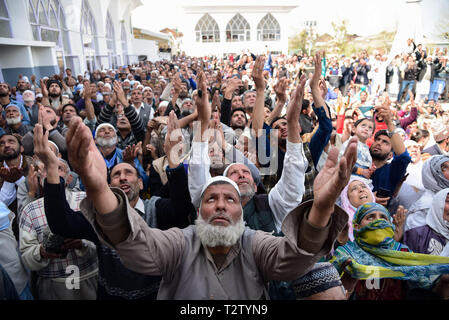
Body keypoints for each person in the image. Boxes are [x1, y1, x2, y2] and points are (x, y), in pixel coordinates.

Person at [64, 109, 357, 299]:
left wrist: (322, 207)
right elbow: (138, 246)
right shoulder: (180, 243)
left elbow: (295, 258)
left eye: (230, 199)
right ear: (198, 210)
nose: (220, 205)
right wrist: (97, 185)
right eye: (211, 198)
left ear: (242, 212)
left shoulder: (256, 243)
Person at [331, 202, 449, 300]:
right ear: (357, 226)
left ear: (390, 225)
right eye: (370, 217)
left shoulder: (401, 252)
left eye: (383, 218)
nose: (378, 221)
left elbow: (424, 283)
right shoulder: (346, 253)